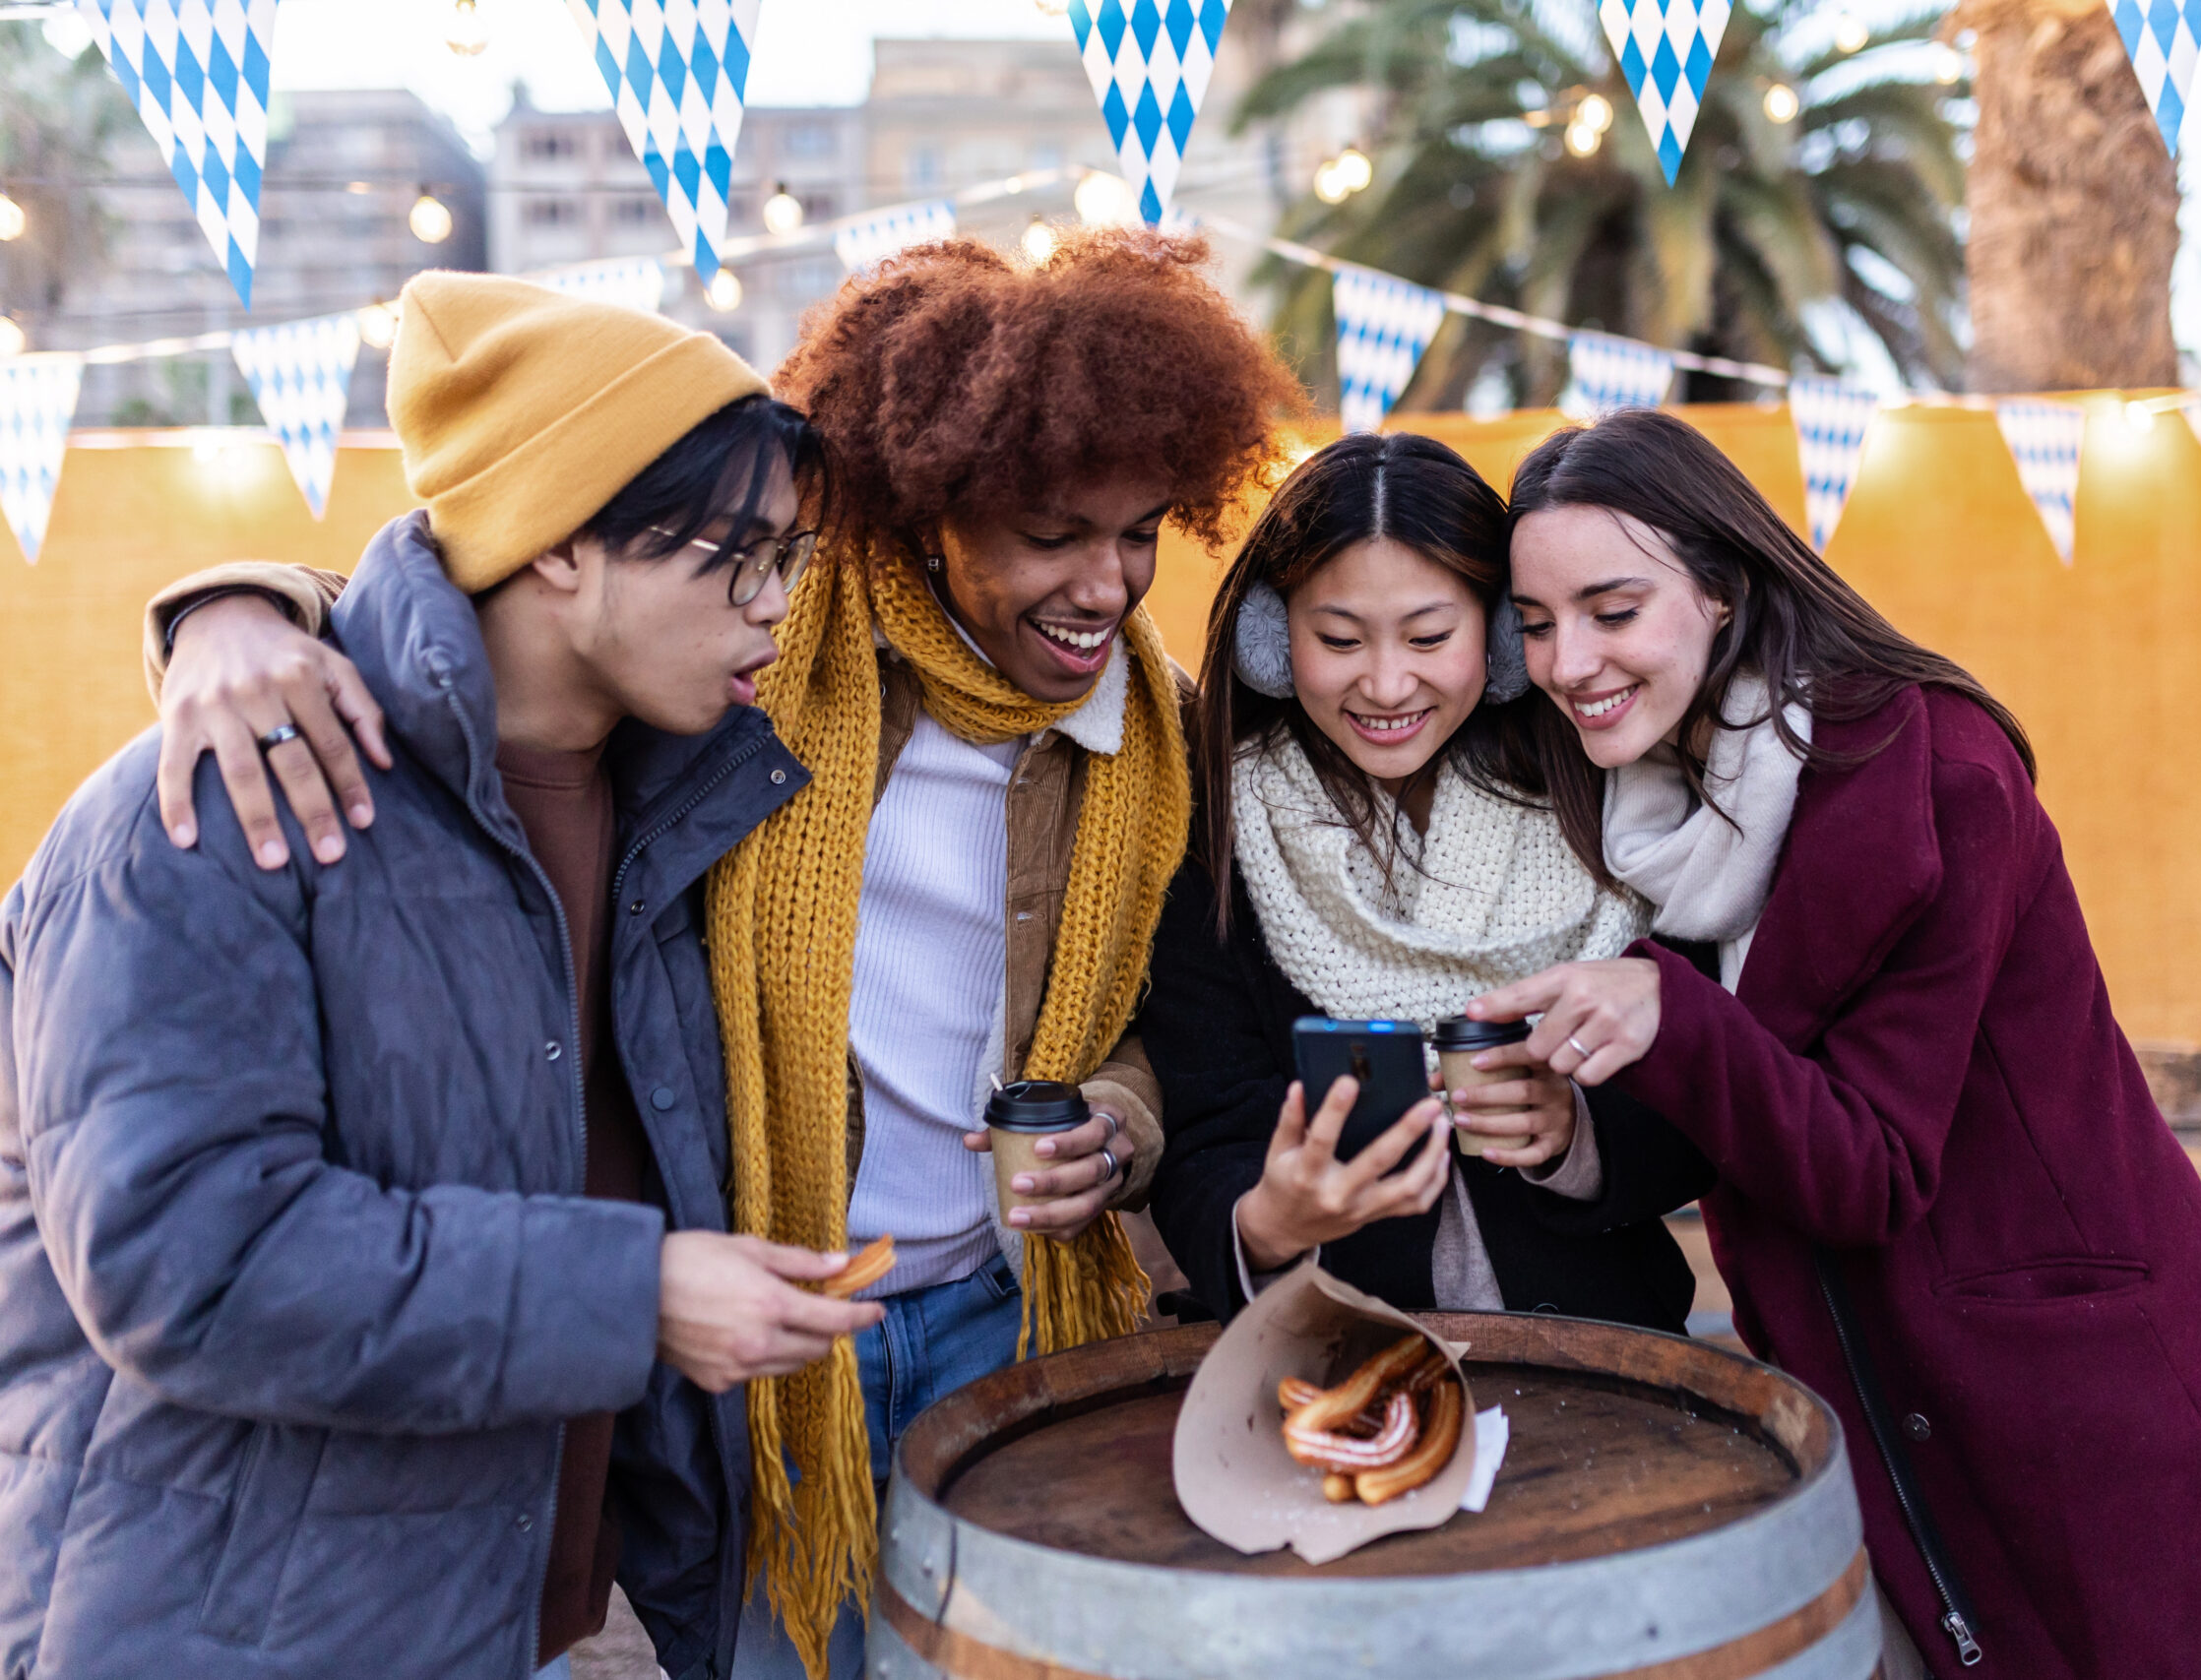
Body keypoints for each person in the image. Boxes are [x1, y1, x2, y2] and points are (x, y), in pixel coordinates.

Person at [129, 229, 1302, 1680]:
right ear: (931, 504)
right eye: (1054, 534)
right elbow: (508, 605)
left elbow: (1132, 1016)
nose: (1107, 583)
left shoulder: (1144, 732)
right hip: (766, 1317)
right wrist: (238, 607)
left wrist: (1117, 1119)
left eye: (1142, 532)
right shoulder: (756, 657)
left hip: (1006, 1304)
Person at [0, 273, 887, 1680]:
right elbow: (189, 1261)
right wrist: (638, 1292)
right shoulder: (211, 802)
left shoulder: (685, 813)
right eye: (738, 557)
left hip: (504, 1617)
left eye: (791, 557)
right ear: (554, 546)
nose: (777, 606)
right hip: (220, 1625)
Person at [1471, 408, 2201, 1680]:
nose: (1570, 658)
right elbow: (1752, 1098)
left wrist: (1672, 1016)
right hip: (1880, 1402)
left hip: (2085, 1406)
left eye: (1613, 608)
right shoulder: (1654, 805)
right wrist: (1580, 1140)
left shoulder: (1929, 770)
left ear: (1724, 589)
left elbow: (1868, 1160)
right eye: (1540, 622)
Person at [1140, 432, 1714, 1328]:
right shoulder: (1214, 830)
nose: (1385, 681)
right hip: (1330, 1360)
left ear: (1501, 637)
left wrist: (1575, 1136)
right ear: (1270, 638)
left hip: (1602, 1356)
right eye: (1338, 637)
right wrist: (1266, 1220)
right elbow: (1207, 1121)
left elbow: (1709, 1074)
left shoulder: (1608, 793)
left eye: (1429, 635)